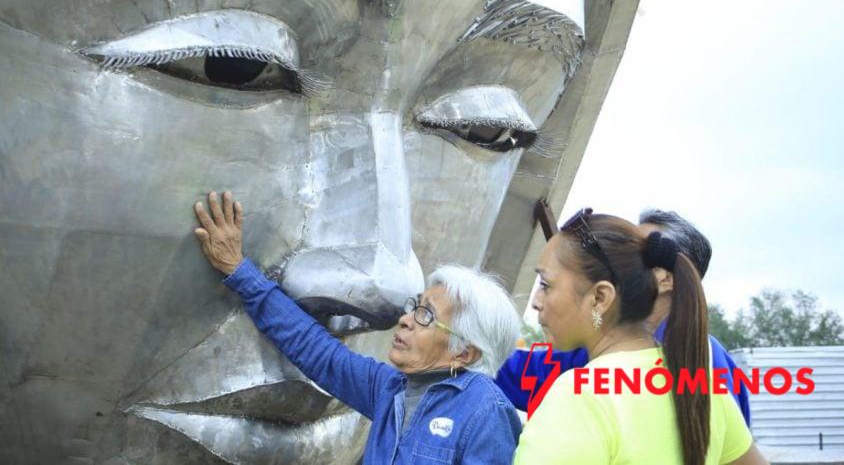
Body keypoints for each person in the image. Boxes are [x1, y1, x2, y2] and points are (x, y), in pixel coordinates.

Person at [193, 191, 523, 464]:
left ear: (464, 352)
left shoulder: (486, 414)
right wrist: (239, 271)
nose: (406, 319)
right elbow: (317, 351)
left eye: (426, 315)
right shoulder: (390, 389)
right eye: (415, 306)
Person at [513, 209, 766, 464]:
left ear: (601, 297)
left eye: (546, 285)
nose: (536, 302)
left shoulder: (577, 397)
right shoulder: (708, 385)